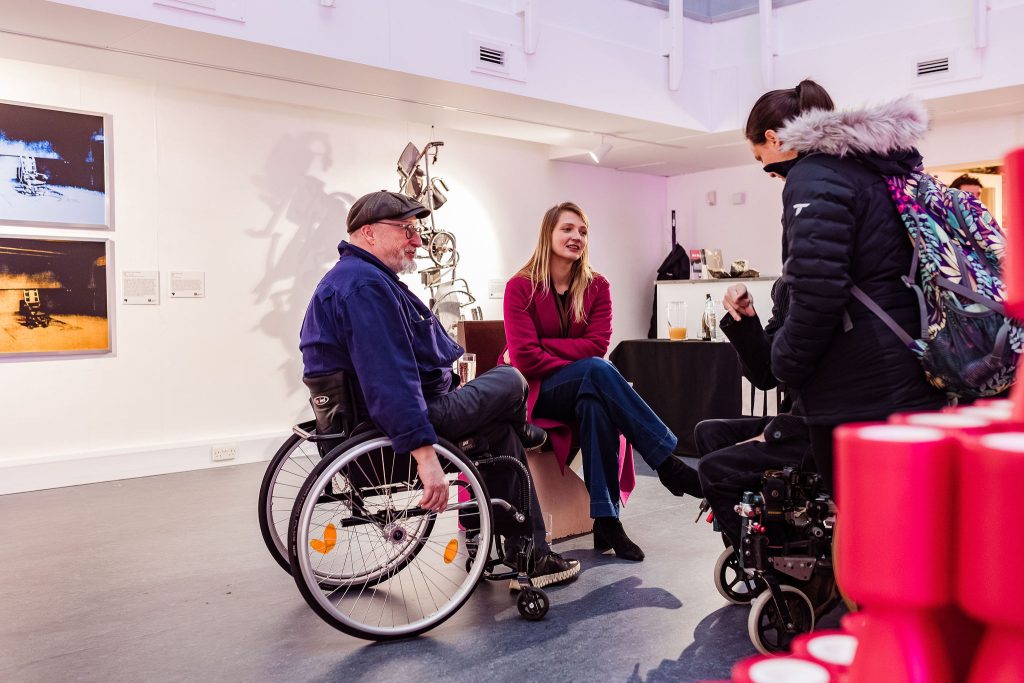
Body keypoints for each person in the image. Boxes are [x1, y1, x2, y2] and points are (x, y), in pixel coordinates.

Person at [299, 190, 579, 589]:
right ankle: (525, 445)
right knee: (510, 378)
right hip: (395, 429)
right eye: (406, 229)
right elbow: (389, 380)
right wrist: (425, 455)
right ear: (368, 233)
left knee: (500, 432)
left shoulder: (355, 279)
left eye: (417, 230)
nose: (417, 240)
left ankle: (525, 550)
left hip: (371, 421)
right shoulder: (365, 288)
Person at [743, 79, 945, 492]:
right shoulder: (875, 166)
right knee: (905, 507)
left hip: (859, 384)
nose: (767, 170)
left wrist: (785, 362)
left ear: (774, 139)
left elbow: (818, 289)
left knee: (861, 510)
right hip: (909, 364)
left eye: (760, 157)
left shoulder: (813, 176)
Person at [503, 201, 702, 562]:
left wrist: (545, 345)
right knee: (596, 371)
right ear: (548, 234)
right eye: (567, 229)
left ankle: (607, 520)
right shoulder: (520, 287)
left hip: (582, 389)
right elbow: (525, 359)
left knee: (595, 403)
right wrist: (570, 360)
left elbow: (596, 345)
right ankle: (667, 463)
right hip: (538, 394)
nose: (576, 237)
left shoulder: (597, 286)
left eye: (582, 231)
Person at [695, 279, 812, 547]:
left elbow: (836, 385)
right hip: (796, 418)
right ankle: (756, 543)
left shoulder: (833, 287)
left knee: (714, 470)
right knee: (710, 433)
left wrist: (774, 433)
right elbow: (766, 374)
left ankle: (775, 562)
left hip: (822, 428)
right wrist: (745, 319)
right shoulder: (787, 286)